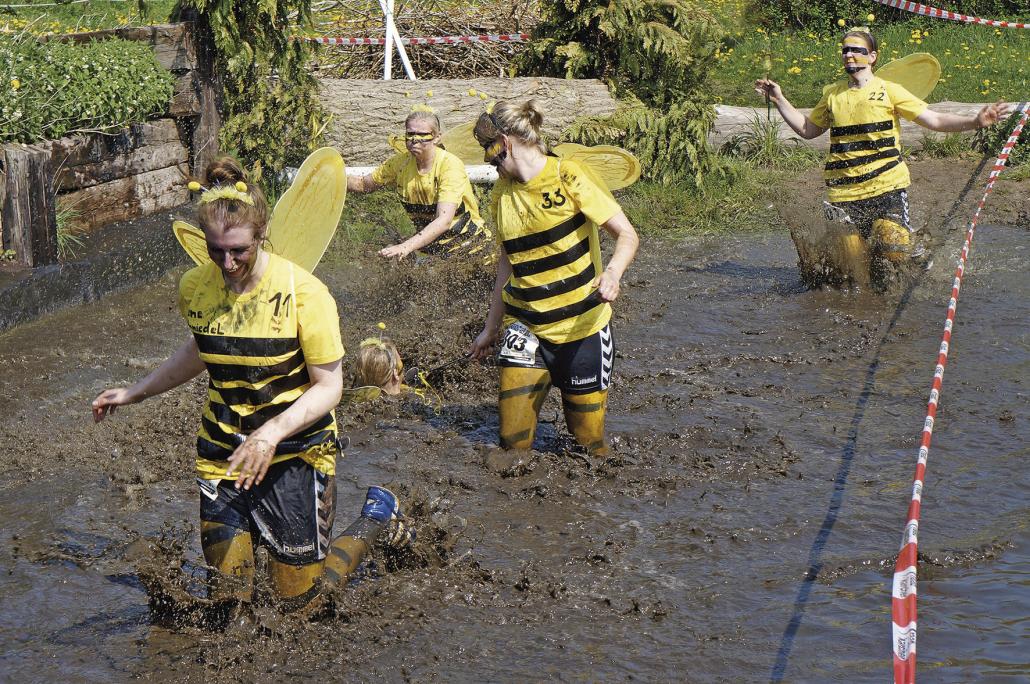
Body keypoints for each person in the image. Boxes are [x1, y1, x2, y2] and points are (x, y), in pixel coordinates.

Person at [91, 156, 409, 611]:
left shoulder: (305, 294)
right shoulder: (195, 287)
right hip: (223, 456)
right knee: (227, 606)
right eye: (216, 250)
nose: (228, 262)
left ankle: (377, 518)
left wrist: (270, 433)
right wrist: (136, 391)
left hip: (296, 457)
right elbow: (203, 348)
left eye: (238, 249)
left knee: (301, 609)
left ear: (261, 235)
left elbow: (329, 387)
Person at [754, 27, 1010, 277]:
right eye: (845, 50)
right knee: (852, 266)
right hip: (842, 193)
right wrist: (779, 99)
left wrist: (976, 122)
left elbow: (934, 120)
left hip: (886, 187)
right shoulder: (832, 95)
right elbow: (808, 129)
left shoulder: (890, 90)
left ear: (873, 56)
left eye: (857, 50)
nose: (849, 55)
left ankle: (913, 256)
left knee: (893, 246)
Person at [467, 101, 639, 460]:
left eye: (489, 151)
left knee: (589, 449)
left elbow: (626, 235)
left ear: (504, 142)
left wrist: (613, 273)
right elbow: (507, 262)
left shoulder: (569, 175)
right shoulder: (502, 193)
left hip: (583, 330)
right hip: (525, 326)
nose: (487, 161)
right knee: (512, 447)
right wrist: (491, 327)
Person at [347, 106, 492, 261]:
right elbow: (363, 184)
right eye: (410, 134)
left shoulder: (449, 165)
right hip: (433, 255)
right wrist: (327, 178)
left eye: (422, 134)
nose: (414, 140)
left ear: (437, 137)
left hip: (473, 251)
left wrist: (405, 247)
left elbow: (444, 220)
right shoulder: (399, 163)